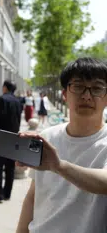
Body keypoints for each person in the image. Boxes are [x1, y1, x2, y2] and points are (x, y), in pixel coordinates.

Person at [16, 58, 107, 233]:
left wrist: (58, 166)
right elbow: (34, 196)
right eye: (78, 86)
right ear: (65, 94)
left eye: (97, 88)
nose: (87, 95)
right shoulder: (47, 136)